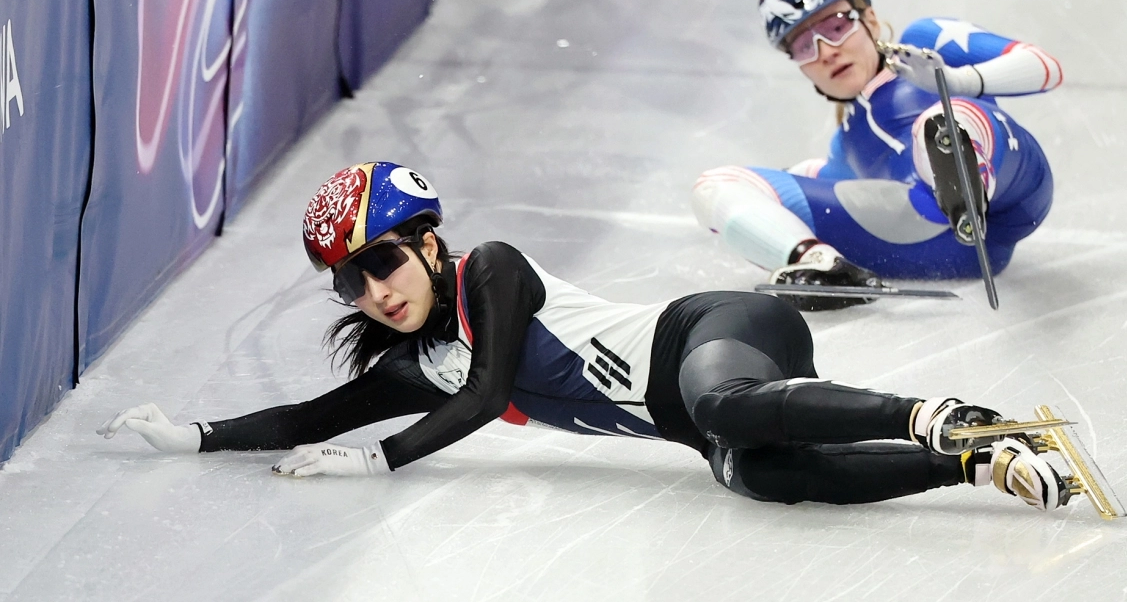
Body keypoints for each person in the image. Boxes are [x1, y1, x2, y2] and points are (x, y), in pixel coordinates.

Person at [98, 162, 1072, 511]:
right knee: (758, 472)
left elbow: (485, 396)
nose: (371, 291)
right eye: (347, 282)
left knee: (724, 406)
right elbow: (315, 413)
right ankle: (990, 464)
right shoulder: (417, 362)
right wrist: (197, 437)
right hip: (688, 418)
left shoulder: (493, 270)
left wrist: (385, 461)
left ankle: (939, 416)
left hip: (715, 334)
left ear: (429, 245)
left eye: (381, 263)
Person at [691, 0, 1060, 310]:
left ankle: (966, 183)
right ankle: (818, 264)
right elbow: (805, 187)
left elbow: (1045, 67)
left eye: (836, 26)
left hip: (1011, 194)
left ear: (869, 17)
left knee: (944, 118)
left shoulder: (925, 43)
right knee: (717, 185)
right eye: (804, 46)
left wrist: (956, 80)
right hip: (931, 240)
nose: (826, 52)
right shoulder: (846, 146)